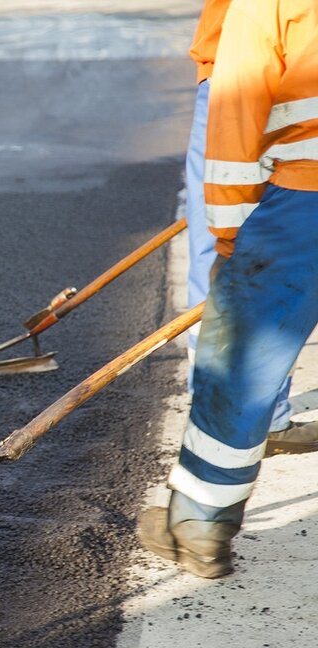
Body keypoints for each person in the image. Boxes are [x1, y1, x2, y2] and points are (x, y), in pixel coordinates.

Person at [138, 0, 318, 578]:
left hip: (305, 197)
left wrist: (227, 240)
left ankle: (199, 522)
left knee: (242, 351)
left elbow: (237, 115)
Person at [185, 0, 318, 456]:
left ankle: (240, 414)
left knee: (239, 245)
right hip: (246, 72)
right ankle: (229, 418)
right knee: (232, 249)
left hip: (266, 68)